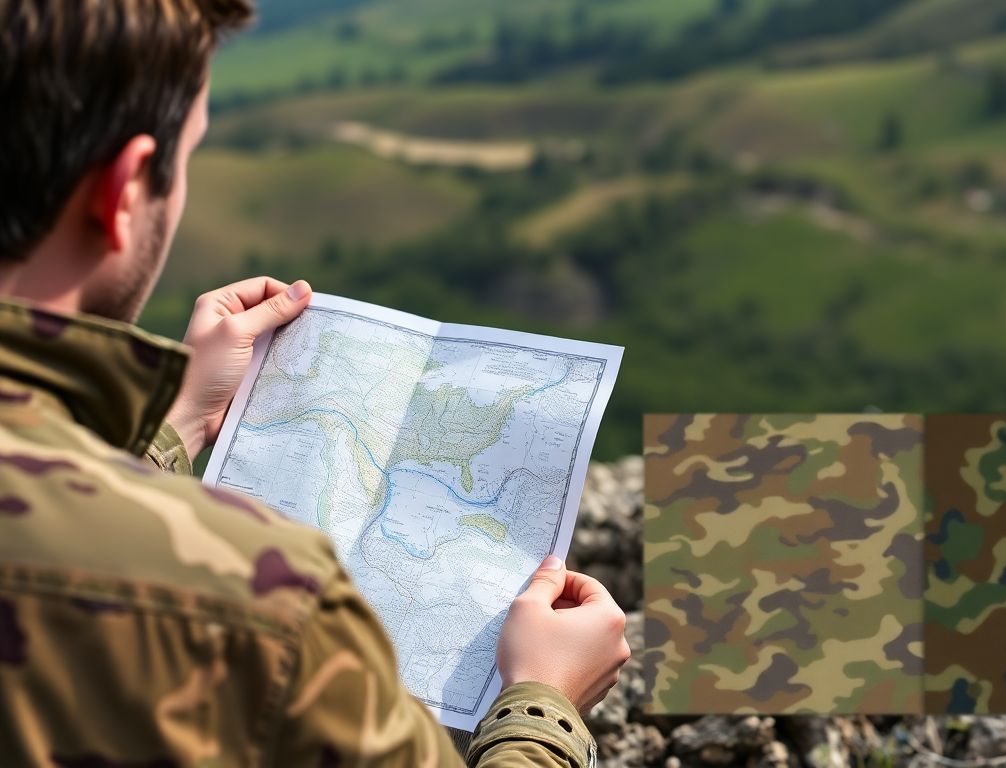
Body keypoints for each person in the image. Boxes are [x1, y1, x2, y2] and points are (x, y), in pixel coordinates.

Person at [0, 1, 630, 766]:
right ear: (126, 190)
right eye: (189, 154)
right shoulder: (265, 603)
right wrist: (545, 701)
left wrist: (174, 430)